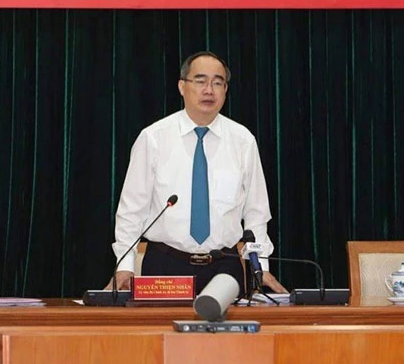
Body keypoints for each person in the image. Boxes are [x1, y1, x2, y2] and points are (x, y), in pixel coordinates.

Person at [112, 51, 287, 295]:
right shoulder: (153, 138)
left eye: (217, 83)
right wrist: (125, 266)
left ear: (225, 90)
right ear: (182, 86)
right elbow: (132, 210)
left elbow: (256, 213)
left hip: (225, 268)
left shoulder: (243, 140)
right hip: (165, 267)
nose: (209, 90)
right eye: (200, 81)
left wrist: (261, 268)